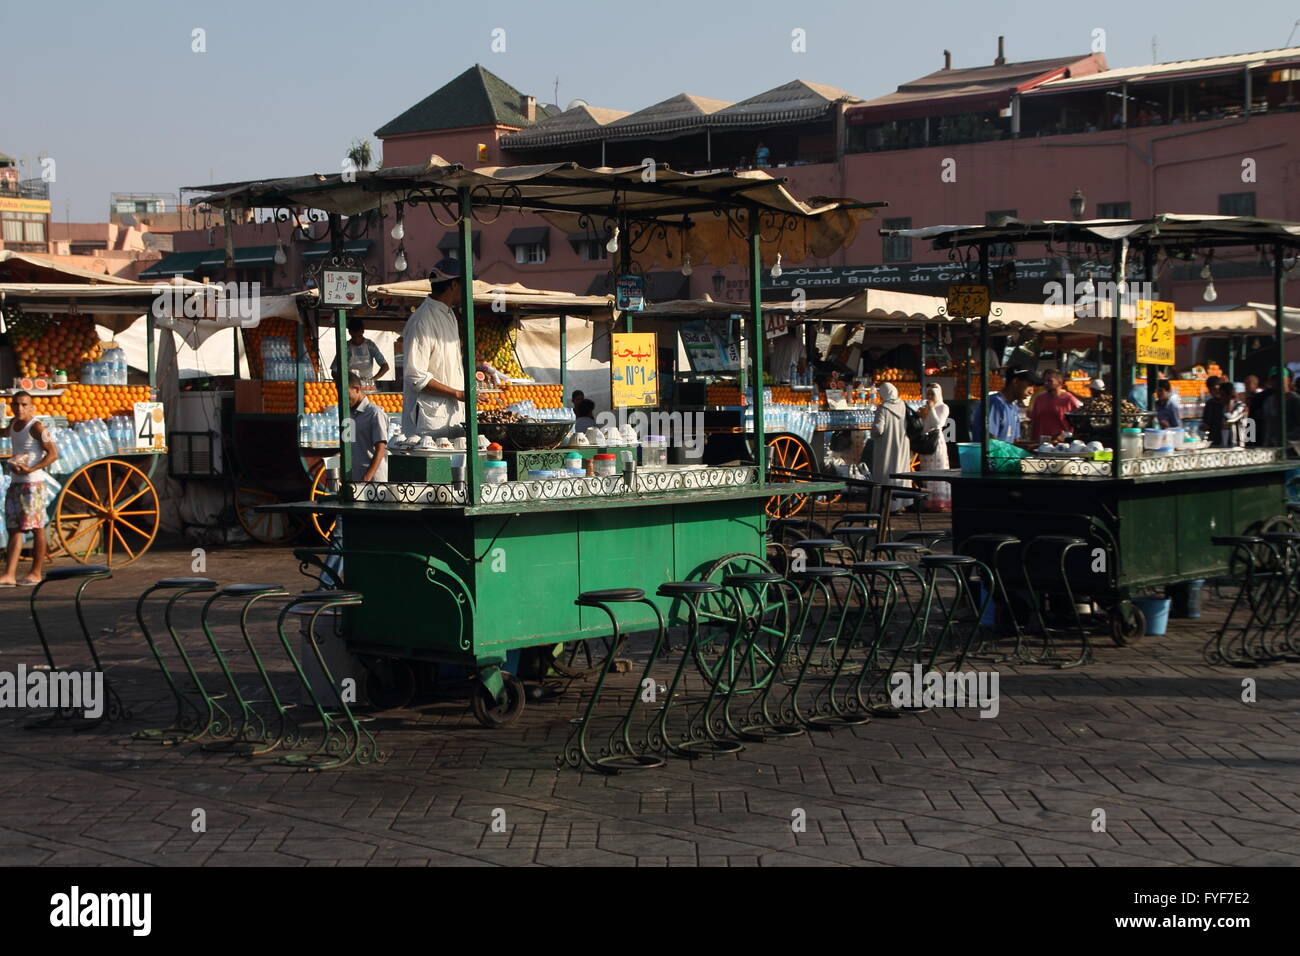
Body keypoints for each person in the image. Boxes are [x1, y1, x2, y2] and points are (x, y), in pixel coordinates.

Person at [402, 259, 468, 439]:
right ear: (454, 284)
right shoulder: (422, 320)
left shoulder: (449, 315)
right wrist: (456, 393)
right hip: (428, 423)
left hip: (451, 416)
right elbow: (414, 376)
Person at [1, 391, 58, 587]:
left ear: (32, 406)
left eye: (24, 405)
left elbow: (53, 453)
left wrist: (32, 468)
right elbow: (5, 433)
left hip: (32, 483)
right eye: (16, 405)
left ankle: (36, 572)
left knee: (36, 527)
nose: (19, 408)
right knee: (14, 528)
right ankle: (9, 574)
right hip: (16, 482)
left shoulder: (37, 426)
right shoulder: (14, 424)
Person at [973, 367, 1040, 443]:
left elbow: (1014, 442)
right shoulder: (994, 403)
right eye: (1029, 385)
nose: (1032, 391)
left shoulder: (1014, 407)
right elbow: (991, 441)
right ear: (1016, 381)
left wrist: (1039, 445)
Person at [871, 382, 912, 507]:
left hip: (886, 445)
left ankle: (886, 504)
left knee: (885, 472)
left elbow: (878, 430)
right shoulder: (903, 405)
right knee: (901, 470)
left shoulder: (883, 409)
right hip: (902, 443)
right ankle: (902, 503)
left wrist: (872, 431)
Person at [348, 372, 389, 482]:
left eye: (346, 394)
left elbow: (381, 449)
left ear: (357, 389)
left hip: (373, 481)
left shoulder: (374, 413)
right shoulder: (348, 414)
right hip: (354, 478)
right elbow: (347, 444)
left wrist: (367, 478)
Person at [917, 382, 951, 511]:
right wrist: (921, 416)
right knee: (927, 471)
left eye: (933, 394)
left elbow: (938, 424)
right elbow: (924, 426)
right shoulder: (926, 407)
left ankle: (940, 503)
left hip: (936, 442)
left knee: (938, 470)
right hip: (926, 441)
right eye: (928, 394)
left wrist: (931, 409)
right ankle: (929, 501)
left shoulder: (943, 407)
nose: (930, 396)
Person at [1027, 368, 1082, 442]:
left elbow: (1078, 425)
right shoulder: (1039, 399)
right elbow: (1034, 422)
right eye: (1045, 381)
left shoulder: (1069, 400)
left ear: (1060, 382)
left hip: (1061, 446)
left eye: (1049, 381)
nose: (1046, 383)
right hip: (1041, 445)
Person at [332, 317, 389, 383]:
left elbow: (385, 366)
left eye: (359, 336)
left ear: (363, 331)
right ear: (349, 332)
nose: (357, 340)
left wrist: (373, 379)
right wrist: (345, 381)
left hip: (367, 384)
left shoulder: (370, 345)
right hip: (351, 385)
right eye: (354, 337)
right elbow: (334, 371)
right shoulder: (345, 347)